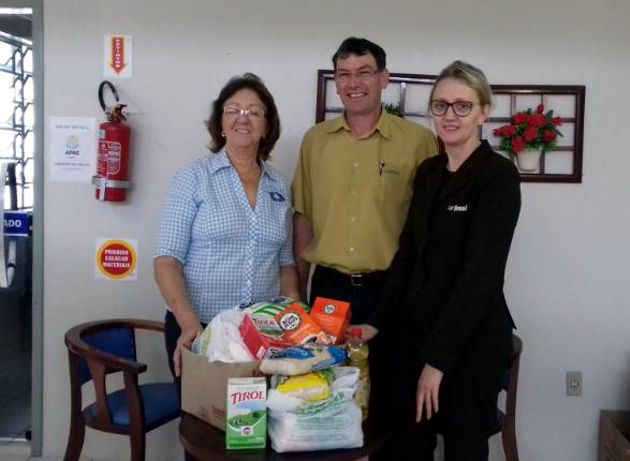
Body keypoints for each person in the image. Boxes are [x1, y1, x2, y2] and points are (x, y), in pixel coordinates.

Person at [355, 60, 521, 460]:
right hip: (416, 330)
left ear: (484, 112)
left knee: (463, 448)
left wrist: (438, 362)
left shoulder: (498, 176)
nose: (450, 115)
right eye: (440, 105)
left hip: (470, 339)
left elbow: (479, 277)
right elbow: (409, 254)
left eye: (463, 106)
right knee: (402, 446)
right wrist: (378, 321)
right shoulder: (429, 172)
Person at [292, 36, 437, 424]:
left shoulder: (418, 142)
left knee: (392, 401)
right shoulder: (315, 141)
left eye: (364, 72)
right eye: (344, 74)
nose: (353, 82)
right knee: (325, 397)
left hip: (392, 290)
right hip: (329, 291)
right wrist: (300, 295)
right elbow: (303, 217)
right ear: (336, 82)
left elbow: (430, 230)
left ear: (384, 78)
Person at [154, 73, 299, 386]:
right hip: (201, 329)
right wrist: (188, 323)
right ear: (220, 123)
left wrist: (295, 316)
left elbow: (285, 262)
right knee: (204, 416)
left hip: (262, 335)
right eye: (233, 110)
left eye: (254, 112)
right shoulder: (193, 178)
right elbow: (167, 260)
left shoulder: (280, 185)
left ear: (267, 126)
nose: (242, 118)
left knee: (259, 415)